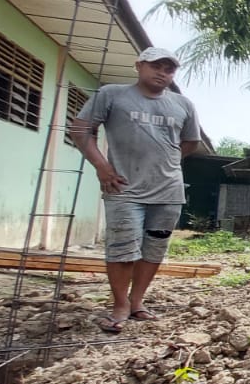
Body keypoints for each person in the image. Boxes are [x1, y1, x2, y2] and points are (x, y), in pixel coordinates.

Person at [70, 47, 202, 332]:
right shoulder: (112, 95)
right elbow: (80, 129)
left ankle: (137, 301)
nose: (162, 73)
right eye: (156, 66)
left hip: (168, 190)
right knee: (122, 249)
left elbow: (191, 143)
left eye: (169, 69)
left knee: (154, 249)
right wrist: (101, 166)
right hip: (124, 188)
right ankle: (120, 305)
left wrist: (167, 159)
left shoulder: (183, 104)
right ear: (139, 66)